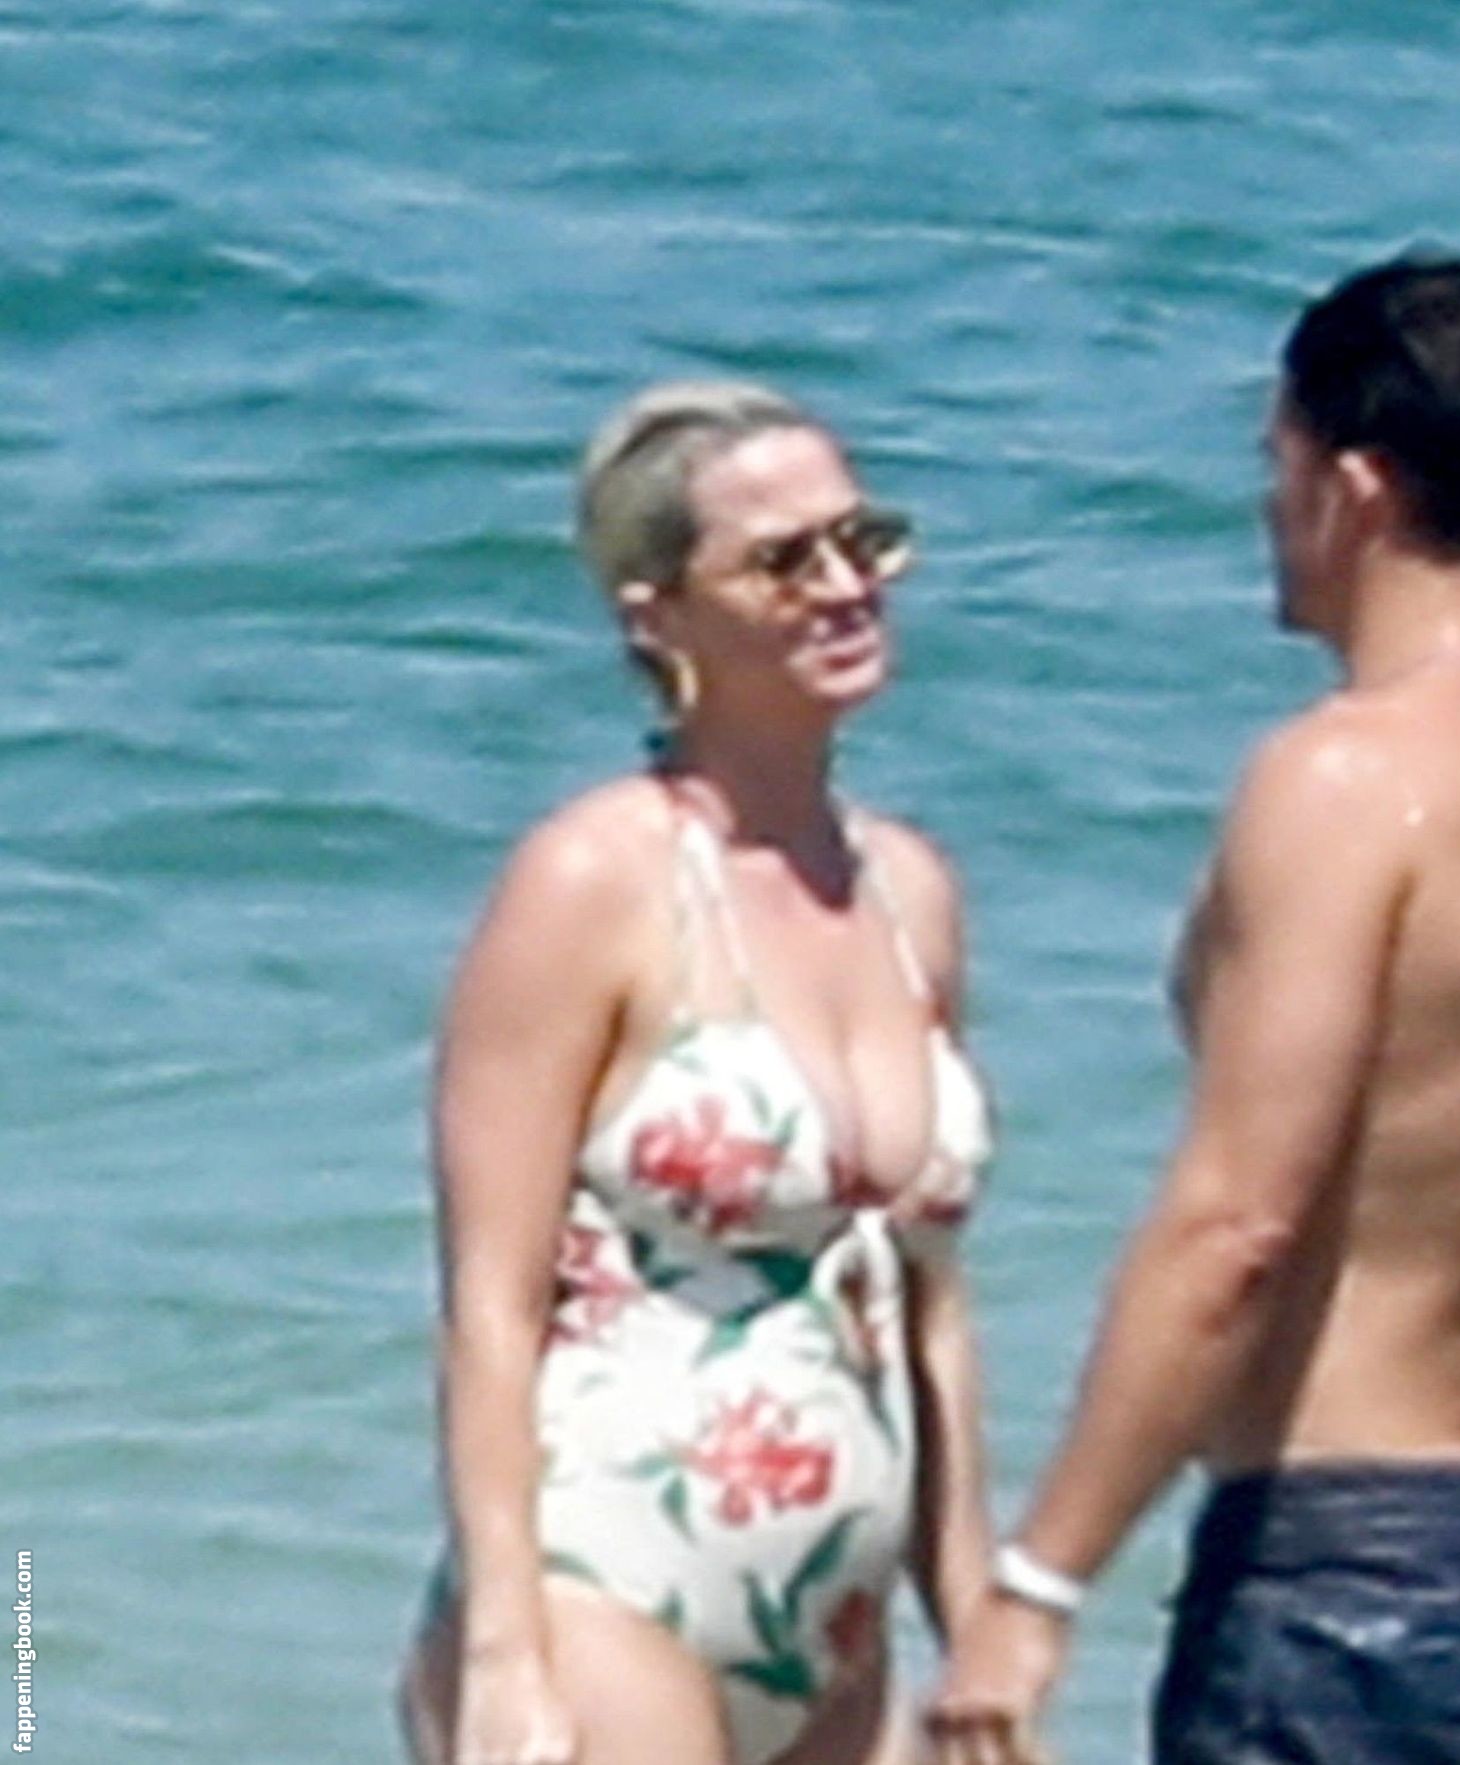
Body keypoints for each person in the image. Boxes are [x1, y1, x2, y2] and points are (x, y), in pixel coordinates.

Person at [928, 255, 1460, 1765]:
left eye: (1277, 461)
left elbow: (1238, 1223)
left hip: (1347, 1586)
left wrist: (1038, 1583)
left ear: (1352, 489)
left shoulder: (1343, 782)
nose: (1268, 506)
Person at [398, 380, 996, 1765]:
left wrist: (978, 1628)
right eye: (785, 560)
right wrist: (505, 1654)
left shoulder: (907, 891)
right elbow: (489, 1301)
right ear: (656, 616)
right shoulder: (591, 881)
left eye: (863, 539)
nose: (844, 585)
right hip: (603, 1586)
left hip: (843, 1624)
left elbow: (930, 1306)